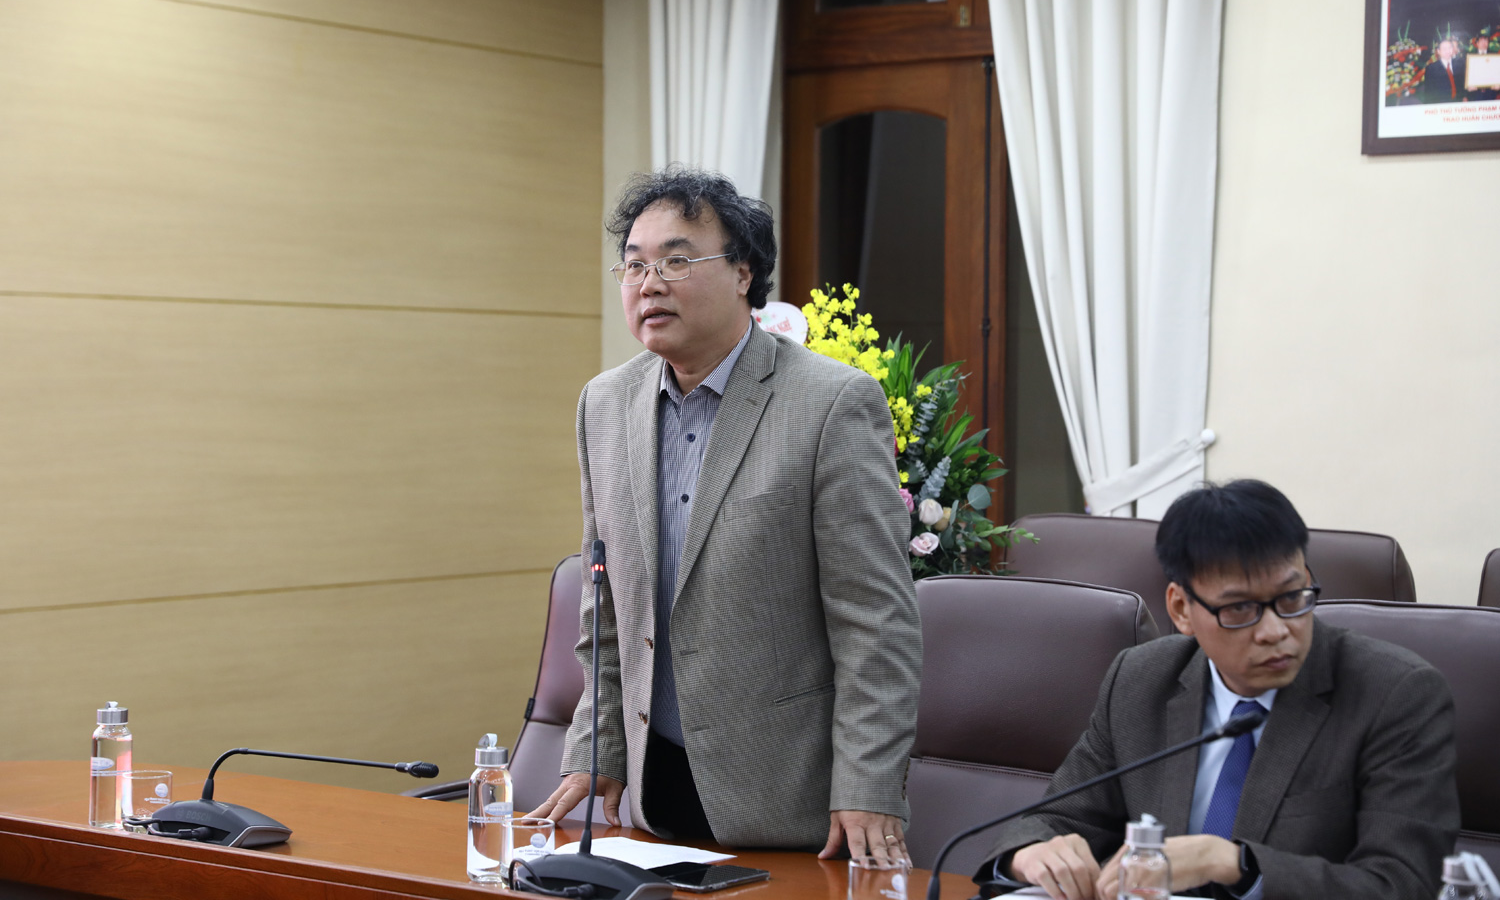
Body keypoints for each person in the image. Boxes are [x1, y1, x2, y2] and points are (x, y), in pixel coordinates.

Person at [535, 167, 922, 863]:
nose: (649, 284)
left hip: (789, 804)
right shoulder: (605, 404)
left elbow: (876, 622)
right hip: (651, 798)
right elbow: (605, 607)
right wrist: (597, 750)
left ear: (744, 273)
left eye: (677, 261)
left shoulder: (831, 403)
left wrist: (869, 786)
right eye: (634, 266)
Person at [978, 479, 1459, 900]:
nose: (1276, 630)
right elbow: (1060, 819)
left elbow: (1404, 884)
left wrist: (1232, 862)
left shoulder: (1395, 694)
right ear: (1181, 610)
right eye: (1241, 609)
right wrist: (1032, 853)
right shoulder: (1141, 680)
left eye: (1292, 597)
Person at [1422, 37, 1467, 103]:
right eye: (1444, 49)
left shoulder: (1459, 65)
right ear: (1438, 51)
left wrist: (1465, 97)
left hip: (1459, 103)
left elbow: (1462, 85)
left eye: (1449, 48)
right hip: (1442, 104)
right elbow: (1429, 93)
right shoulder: (1431, 69)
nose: (1447, 51)